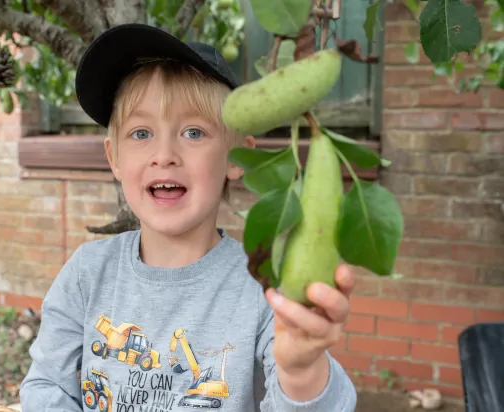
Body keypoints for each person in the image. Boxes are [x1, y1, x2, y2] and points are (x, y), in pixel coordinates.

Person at [20, 23, 357, 412]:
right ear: (113, 157)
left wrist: (301, 372)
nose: (164, 154)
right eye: (141, 133)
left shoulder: (263, 290)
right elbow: (47, 386)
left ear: (236, 157)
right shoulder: (86, 274)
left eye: (194, 132)